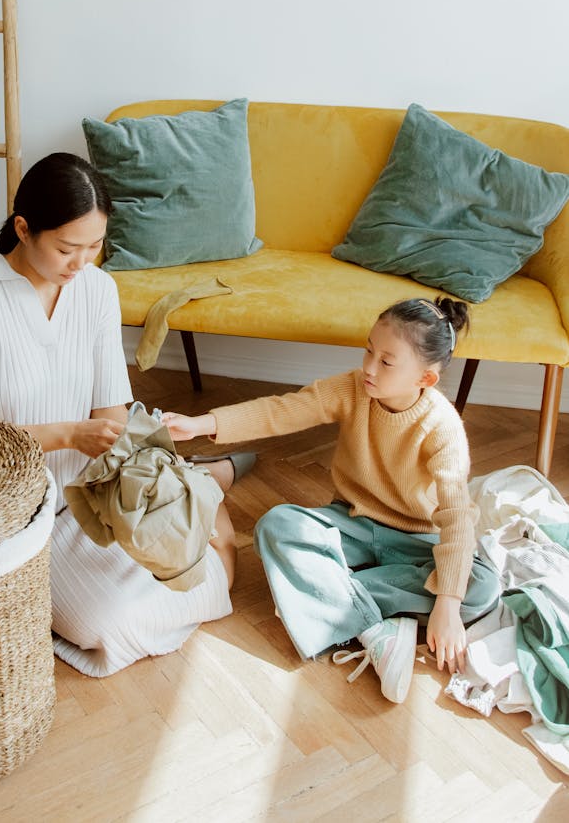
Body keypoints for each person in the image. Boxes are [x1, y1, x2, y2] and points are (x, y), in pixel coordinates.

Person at [0, 151, 252, 677]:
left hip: (96, 496)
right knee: (109, 623)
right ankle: (210, 484)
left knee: (194, 577)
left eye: (95, 246)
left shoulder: (98, 290)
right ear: (23, 228)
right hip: (12, 517)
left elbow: (110, 410)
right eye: (66, 248)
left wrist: (136, 440)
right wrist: (68, 434)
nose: (81, 263)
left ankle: (206, 494)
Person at [162, 296, 501, 704]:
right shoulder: (354, 389)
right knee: (277, 524)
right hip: (351, 524)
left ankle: (322, 599)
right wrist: (202, 424)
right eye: (368, 350)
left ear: (425, 379)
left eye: (387, 362)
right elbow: (283, 410)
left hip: (415, 540)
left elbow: (457, 518)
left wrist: (448, 603)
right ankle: (375, 629)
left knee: (481, 587)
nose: (369, 367)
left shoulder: (443, 427)